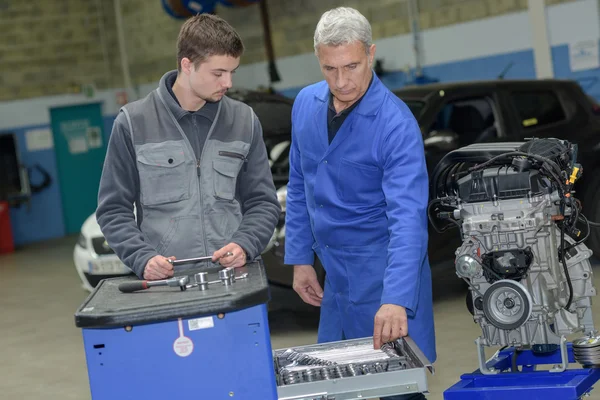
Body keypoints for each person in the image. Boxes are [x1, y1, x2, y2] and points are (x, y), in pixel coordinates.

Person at [284, 7, 436, 399]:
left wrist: (396, 299)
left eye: (351, 66)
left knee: (395, 389)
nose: (341, 80)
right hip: (334, 278)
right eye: (329, 69)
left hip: (382, 276)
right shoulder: (304, 104)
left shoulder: (395, 124)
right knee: (334, 388)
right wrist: (301, 258)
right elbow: (300, 184)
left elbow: (408, 220)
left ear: (370, 53)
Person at [96, 14, 280, 280]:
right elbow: (113, 209)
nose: (228, 83)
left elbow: (263, 202)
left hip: (234, 280)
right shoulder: (134, 123)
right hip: (168, 285)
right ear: (187, 65)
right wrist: (142, 258)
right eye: (218, 73)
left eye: (232, 72)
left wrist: (245, 244)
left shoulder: (244, 120)